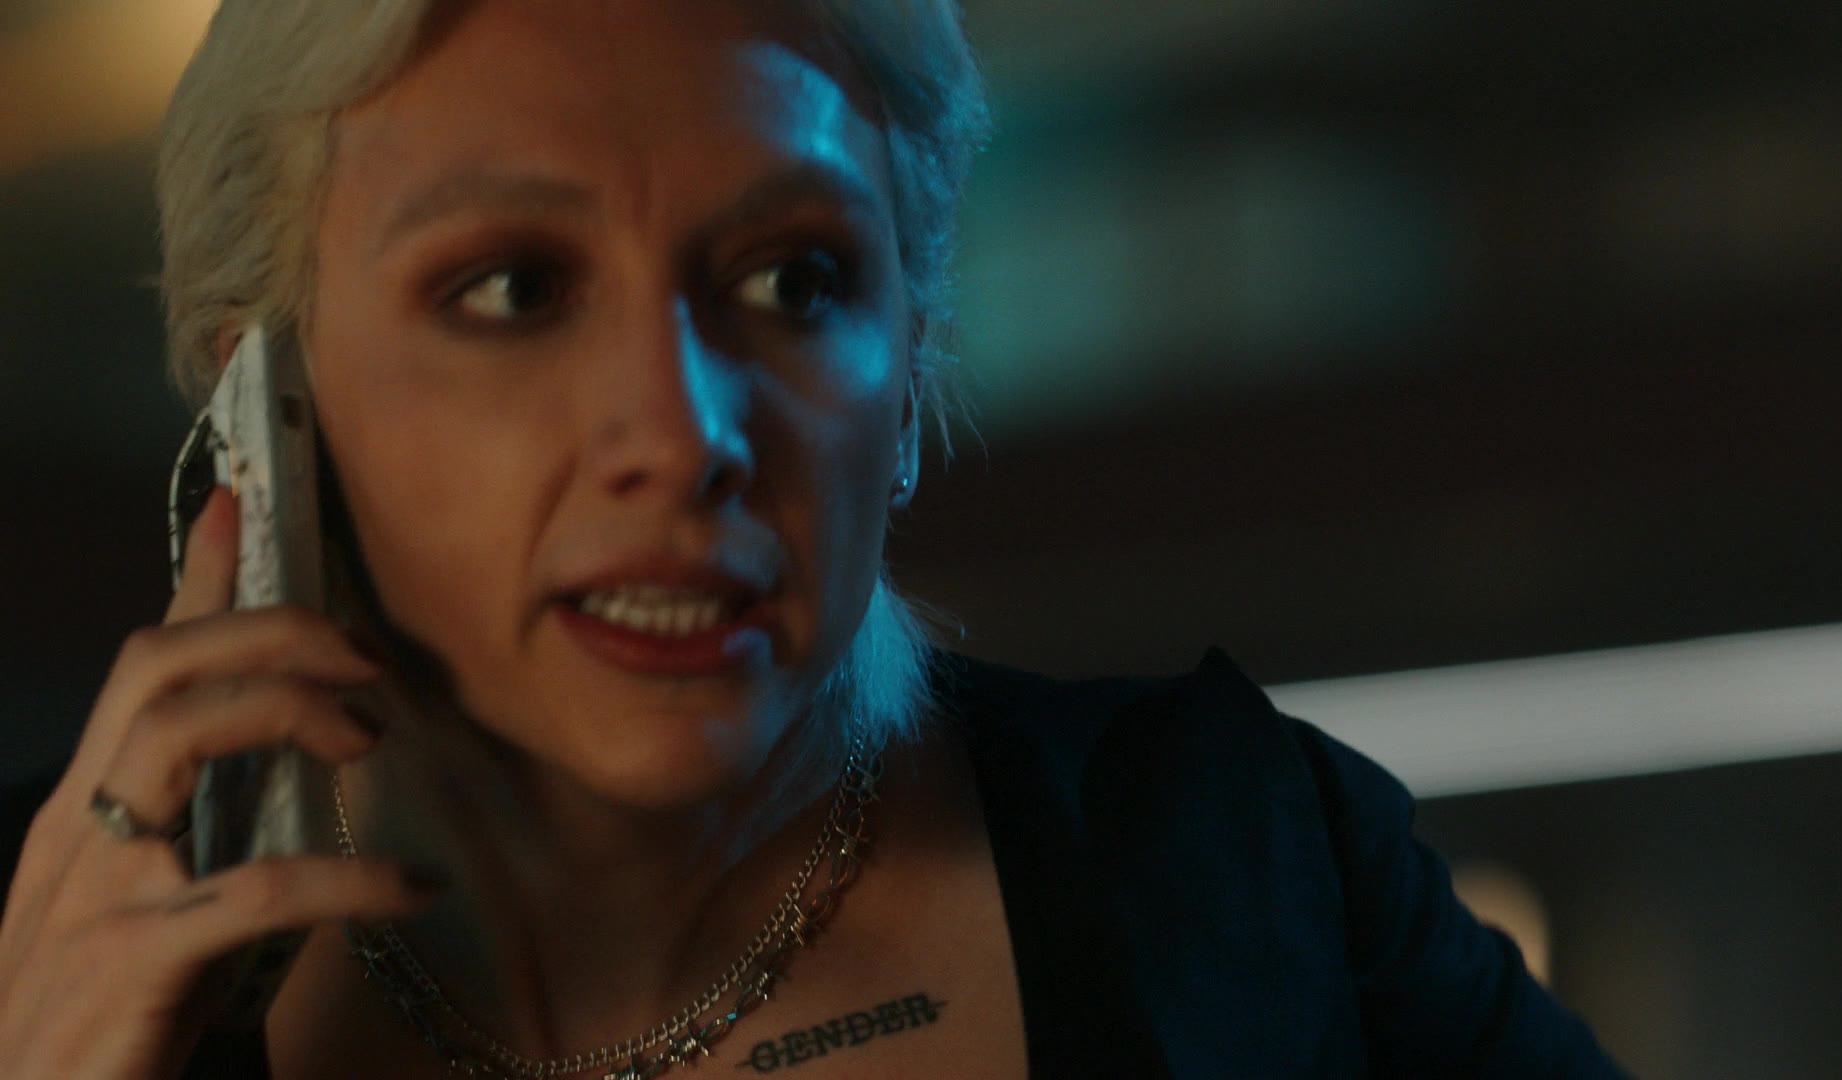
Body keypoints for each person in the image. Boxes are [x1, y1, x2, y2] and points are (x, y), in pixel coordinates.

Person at [0, 1, 1626, 1077]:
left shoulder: (1241, 868)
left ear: (908, 375)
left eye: (793, 280)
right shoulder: (40, 957)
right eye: (513, 289)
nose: (682, 433)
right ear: (263, 408)